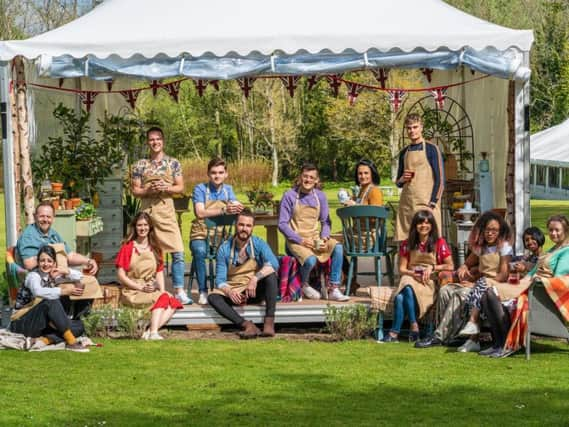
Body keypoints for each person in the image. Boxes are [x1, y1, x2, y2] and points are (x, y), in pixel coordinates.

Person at [415, 210, 511, 351]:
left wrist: (476, 283)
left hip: (493, 287)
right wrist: (464, 267)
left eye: (494, 230)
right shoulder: (481, 248)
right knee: (446, 290)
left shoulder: (504, 248)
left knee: (460, 294)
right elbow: (467, 263)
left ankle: (439, 336)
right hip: (479, 283)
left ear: (500, 231)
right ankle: (453, 336)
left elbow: (503, 275)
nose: (490, 233)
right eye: (487, 230)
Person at [132, 127, 189, 304]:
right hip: (147, 215)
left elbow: (181, 188)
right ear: (147, 143)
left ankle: (179, 290)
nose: (155, 142)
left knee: (178, 251)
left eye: (158, 139)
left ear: (163, 141)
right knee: (150, 253)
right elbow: (135, 190)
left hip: (166, 213)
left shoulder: (173, 163)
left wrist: (166, 187)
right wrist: (148, 189)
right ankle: (152, 288)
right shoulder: (139, 165)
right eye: (151, 139)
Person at [16, 201, 102, 317]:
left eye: (48, 217)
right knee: (73, 286)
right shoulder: (29, 236)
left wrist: (88, 261)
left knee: (88, 282)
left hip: (57, 275)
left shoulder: (53, 234)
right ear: (35, 216)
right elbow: (29, 264)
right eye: (42, 216)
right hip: (41, 279)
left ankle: (79, 319)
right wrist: (52, 262)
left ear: (53, 218)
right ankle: (66, 321)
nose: (45, 220)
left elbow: (70, 255)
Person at [278, 163, 349, 301]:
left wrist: (324, 238)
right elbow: (282, 224)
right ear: (300, 177)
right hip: (295, 240)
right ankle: (302, 284)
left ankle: (334, 288)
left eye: (312, 177)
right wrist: (300, 240)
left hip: (315, 238)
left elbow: (326, 222)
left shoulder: (320, 196)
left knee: (338, 247)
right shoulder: (289, 195)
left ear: (316, 180)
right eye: (305, 176)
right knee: (310, 260)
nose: (308, 180)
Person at [501, 215, 569, 357]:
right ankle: (500, 341)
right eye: (550, 230)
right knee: (492, 291)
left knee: (494, 294)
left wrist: (534, 280)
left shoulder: (566, 251)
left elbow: (557, 279)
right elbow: (532, 271)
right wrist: (521, 282)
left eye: (557, 230)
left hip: (541, 294)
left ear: (566, 230)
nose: (553, 233)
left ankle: (504, 342)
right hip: (532, 286)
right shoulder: (552, 250)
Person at [382, 210, 454, 343]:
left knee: (399, 297)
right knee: (407, 283)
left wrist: (432, 267)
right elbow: (402, 269)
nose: (424, 226)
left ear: (432, 226)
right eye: (420, 222)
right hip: (411, 275)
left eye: (427, 223)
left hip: (428, 281)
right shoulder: (407, 243)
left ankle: (394, 333)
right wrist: (412, 273)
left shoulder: (439, 242)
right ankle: (414, 326)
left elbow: (450, 266)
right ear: (415, 225)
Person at [208, 209, 280, 339]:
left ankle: (269, 322)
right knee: (213, 297)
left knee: (271, 275)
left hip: (252, 291)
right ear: (236, 225)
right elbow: (220, 280)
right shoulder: (224, 248)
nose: (244, 229)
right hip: (234, 292)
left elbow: (274, 263)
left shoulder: (258, 243)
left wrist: (255, 278)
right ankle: (246, 325)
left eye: (248, 226)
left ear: (252, 228)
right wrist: (229, 291)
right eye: (241, 225)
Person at [115, 212, 183, 340]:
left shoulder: (156, 247)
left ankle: (149, 330)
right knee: (163, 298)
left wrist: (161, 290)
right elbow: (121, 275)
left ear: (150, 227)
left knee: (173, 302)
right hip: (132, 291)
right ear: (135, 227)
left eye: (145, 225)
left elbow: (159, 271)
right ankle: (153, 333)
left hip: (150, 289)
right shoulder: (127, 247)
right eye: (139, 225)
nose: (142, 228)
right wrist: (139, 287)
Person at [10, 245, 89, 352]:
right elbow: (38, 291)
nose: (46, 264)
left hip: (39, 325)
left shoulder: (52, 276)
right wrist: (63, 291)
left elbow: (79, 276)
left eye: (49, 261)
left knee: (79, 326)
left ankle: (43, 340)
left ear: (54, 263)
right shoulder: (33, 276)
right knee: (51, 300)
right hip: (21, 323)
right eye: (42, 260)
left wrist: (65, 271)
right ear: (38, 262)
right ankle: (72, 343)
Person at [190, 158, 243, 305]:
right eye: (213, 173)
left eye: (220, 172)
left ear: (226, 174)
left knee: (236, 250)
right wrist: (224, 210)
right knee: (199, 251)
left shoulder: (228, 190)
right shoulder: (200, 189)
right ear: (208, 173)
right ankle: (202, 290)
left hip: (221, 235)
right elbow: (200, 213)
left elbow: (236, 204)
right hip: (201, 233)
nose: (217, 176)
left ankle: (230, 288)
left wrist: (238, 207)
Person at [394, 113, 444, 241]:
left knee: (429, 244)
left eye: (415, 127)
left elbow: (440, 180)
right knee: (407, 244)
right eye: (409, 128)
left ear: (421, 127)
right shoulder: (404, 152)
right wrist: (402, 179)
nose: (412, 131)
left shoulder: (432, 149)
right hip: (407, 206)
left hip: (426, 204)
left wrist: (432, 204)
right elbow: (398, 182)